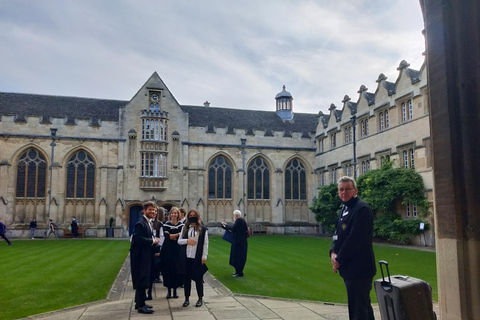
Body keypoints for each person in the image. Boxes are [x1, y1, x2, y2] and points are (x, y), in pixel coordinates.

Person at [329, 176, 376, 320]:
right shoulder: (345, 208)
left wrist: (339, 260)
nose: (344, 192)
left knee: (358, 311)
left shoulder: (361, 209)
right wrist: (332, 252)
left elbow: (355, 240)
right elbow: (337, 234)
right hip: (350, 268)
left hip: (359, 268)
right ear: (338, 192)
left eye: (347, 189)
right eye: (341, 190)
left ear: (355, 190)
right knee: (362, 307)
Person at [130, 201, 161, 314]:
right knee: (142, 280)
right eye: (150, 210)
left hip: (146, 255)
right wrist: (153, 240)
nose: (152, 212)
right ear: (144, 210)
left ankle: (140, 303)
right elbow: (138, 240)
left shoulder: (147, 223)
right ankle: (141, 306)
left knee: (143, 280)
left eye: (154, 210)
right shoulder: (140, 223)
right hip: (141, 257)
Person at [178, 209, 208, 308]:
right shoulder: (185, 228)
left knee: (198, 279)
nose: (192, 217)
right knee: (186, 279)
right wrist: (187, 241)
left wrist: (204, 256)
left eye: (194, 215)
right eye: (190, 215)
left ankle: (200, 298)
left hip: (197, 257)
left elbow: (205, 243)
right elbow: (179, 241)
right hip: (186, 257)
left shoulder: (202, 229)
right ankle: (187, 298)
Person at [160, 206, 184, 299]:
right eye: (172, 213)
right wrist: (177, 235)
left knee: (176, 270)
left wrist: (174, 235)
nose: (174, 215)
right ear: (170, 215)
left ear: (178, 214)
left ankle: (175, 290)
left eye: (176, 213)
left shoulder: (181, 226)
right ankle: (169, 291)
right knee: (168, 270)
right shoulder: (166, 225)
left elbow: (181, 237)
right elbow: (167, 237)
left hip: (178, 250)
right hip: (167, 250)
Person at [221, 209, 248, 277]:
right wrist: (226, 225)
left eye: (234, 215)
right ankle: (238, 272)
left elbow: (233, 229)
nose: (234, 216)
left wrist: (225, 226)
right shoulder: (241, 221)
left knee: (238, 257)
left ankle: (239, 272)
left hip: (239, 243)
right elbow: (234, 228)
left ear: (236, 215)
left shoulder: (239, 220)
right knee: (237, 257)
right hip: (240, 242)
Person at [147, 206, 164, 300]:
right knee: (146, 273)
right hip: (147, 251)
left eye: (155, 211)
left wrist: (158, 250)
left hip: (155, 251)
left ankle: (149, 292)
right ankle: (143, 295)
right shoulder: (145, 223)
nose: (154, 212)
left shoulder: (159, 224)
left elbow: (162, 238)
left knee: (153, 272)